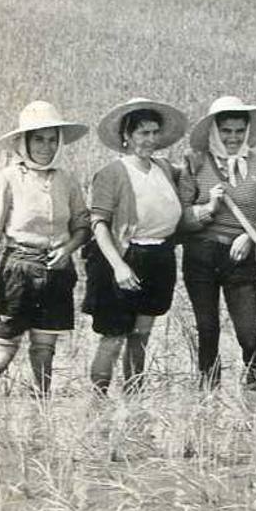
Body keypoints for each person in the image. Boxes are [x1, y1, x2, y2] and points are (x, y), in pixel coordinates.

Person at [0, 101, 90, 399]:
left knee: (44, 351)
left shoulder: (67, 180)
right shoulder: (6, 179)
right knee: (2, 355)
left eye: (52, 139)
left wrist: (69, 248)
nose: (46, 147)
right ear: (23, 142)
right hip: (18, 270)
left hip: (57, 270)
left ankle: (41, 418)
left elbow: (83, 226)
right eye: (38, 139)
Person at [178, 96, 256, 390]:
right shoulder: (195, 161)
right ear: (214, 131)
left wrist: (250, 234)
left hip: (240, 257)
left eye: (239, 131)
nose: (233, 137)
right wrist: (208, 209)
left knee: (249, 335)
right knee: (208, 330)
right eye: (226, 131)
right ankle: (208, 399)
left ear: (247, 132)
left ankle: (253, 397)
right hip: (200, 256)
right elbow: (181, 217)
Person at [83, 98, 187, 395]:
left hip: (159, 258)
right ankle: (98, 402)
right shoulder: (112, 173)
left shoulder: (164, 168)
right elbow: (99, 223)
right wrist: (118, 266)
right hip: (124, 258)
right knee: (114, 336)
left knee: (141, 333)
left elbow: (194, 172)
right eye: (143, 133)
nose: (150, 139)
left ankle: (134, 400)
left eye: (155, 132)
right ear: (126, 136)